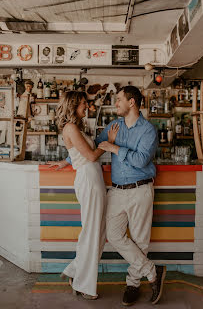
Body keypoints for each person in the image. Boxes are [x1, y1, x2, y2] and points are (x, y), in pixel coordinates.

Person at [50, 86, 166, 306]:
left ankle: (133, 284)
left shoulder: (148, 129)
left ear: (132, 102)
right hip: (117, 190)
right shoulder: (114, 126)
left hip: (141, 189)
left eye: (120, 99)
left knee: (140, 240)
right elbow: (90, 148)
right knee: (111, 235)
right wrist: (68, 160)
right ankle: (152, 271)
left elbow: (140, 160)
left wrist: (114, 148)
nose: (116, 103)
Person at [53, 90, 119, 300]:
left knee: (98, 232)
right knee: (91, 233)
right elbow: (90, 156)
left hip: (94, 179)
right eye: (83, 103)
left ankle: (75, 271)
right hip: (89, 181)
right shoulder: (71, 127)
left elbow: (79, 153)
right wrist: (107, 143)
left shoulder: (76, 127)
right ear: (73, 105)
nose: (86, 106)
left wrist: (66, 160)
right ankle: (84, 284)